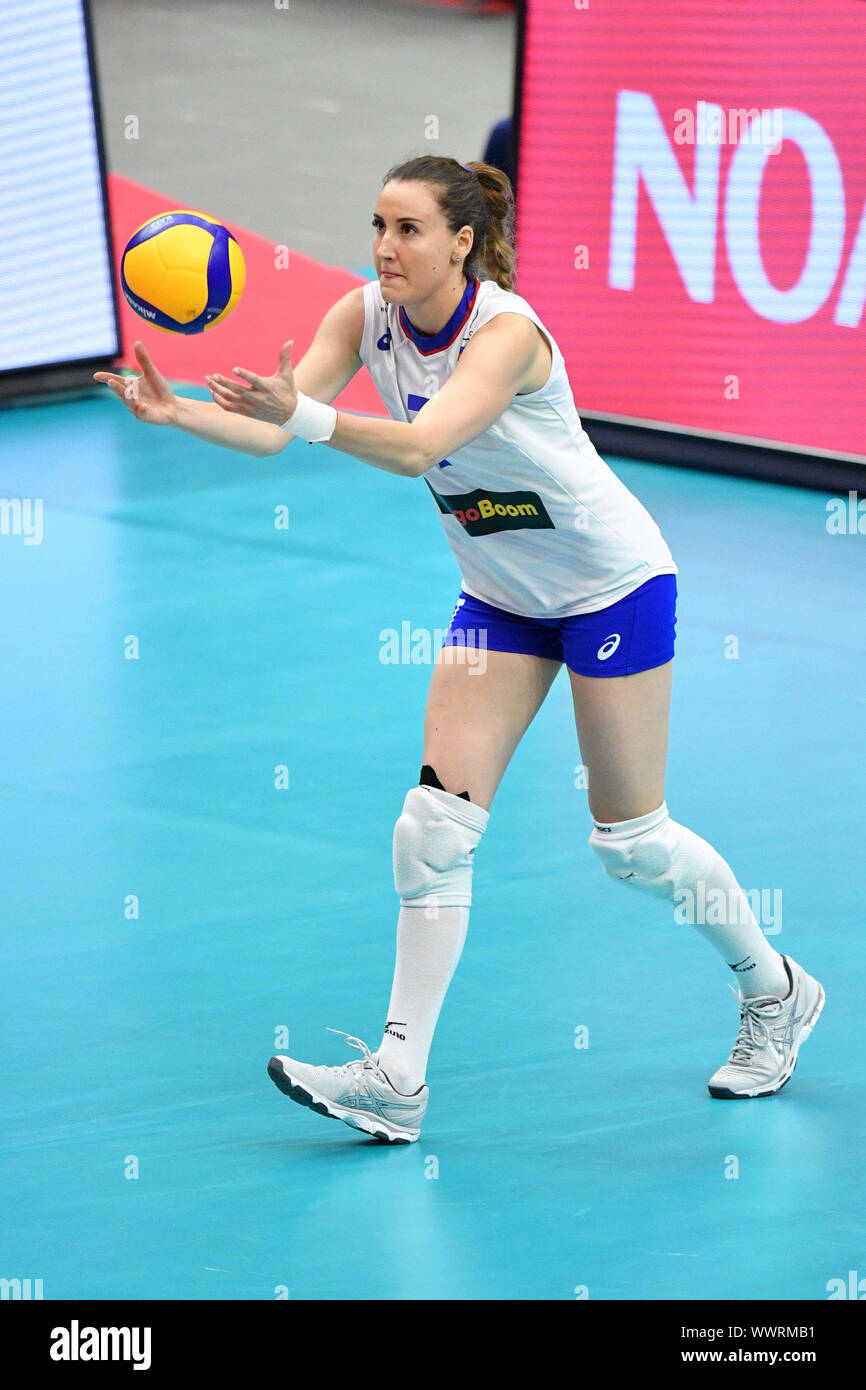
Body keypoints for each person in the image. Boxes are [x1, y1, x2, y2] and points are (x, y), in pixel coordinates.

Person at [94, 155, 824, 1146]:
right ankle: (395, 1076)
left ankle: (772, 989)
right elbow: (273, 433)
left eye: (407, 229)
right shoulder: (361, 317)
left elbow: (414, 445)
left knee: (631, 844)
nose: (384, 248)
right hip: (500, 600)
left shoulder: (508, 335)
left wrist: (298, 415)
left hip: (610, 585)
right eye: (376, 224)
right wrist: (179, 410)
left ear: (461, 243)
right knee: (430, 828)